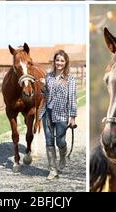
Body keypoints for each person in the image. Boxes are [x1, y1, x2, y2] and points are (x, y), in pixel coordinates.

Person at [39, 50, 77, 180]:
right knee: (49, 141)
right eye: (57, 60)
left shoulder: (70, 79)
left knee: (60, 141)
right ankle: (52, 170)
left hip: (62, 114)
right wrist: (43, 87)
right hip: (47, 113)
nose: (59, 63)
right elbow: (44, 95)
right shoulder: (48, 76)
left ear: (65, 63)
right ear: (54, 62)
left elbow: (72, 98)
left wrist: (72, 117)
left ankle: (62, 157)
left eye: (62, 60)